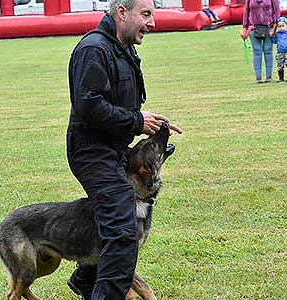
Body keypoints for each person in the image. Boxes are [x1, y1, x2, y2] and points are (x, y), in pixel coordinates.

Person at [66, 0, 183, 299]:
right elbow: (89, 105)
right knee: (122, 230)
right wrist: (135, 120)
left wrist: (151, 123)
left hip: (113, 148)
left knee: (109, 219)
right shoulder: (94, 49)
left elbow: (120, 106)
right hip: (91, 152)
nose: (152, 23)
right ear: (121, 12)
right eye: (146, 15)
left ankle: (85, 280)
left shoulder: (123, 48)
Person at [241, 0, 280, 83]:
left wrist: (274, 28)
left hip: (269, 27)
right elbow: (246, 12)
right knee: (257, 52)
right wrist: (244, 28)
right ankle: (258, 78)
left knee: (268, 51)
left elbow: (276, 12)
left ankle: (269, 77)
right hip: (253, 28)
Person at [272, 17, 287, 82]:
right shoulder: (277, 34)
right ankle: (281, 78)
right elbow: (275, 41)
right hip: (280, 52)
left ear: (286, 25)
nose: (281, 28)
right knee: (280, 65)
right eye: (279, 26)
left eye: (283, 26)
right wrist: (273, 36)